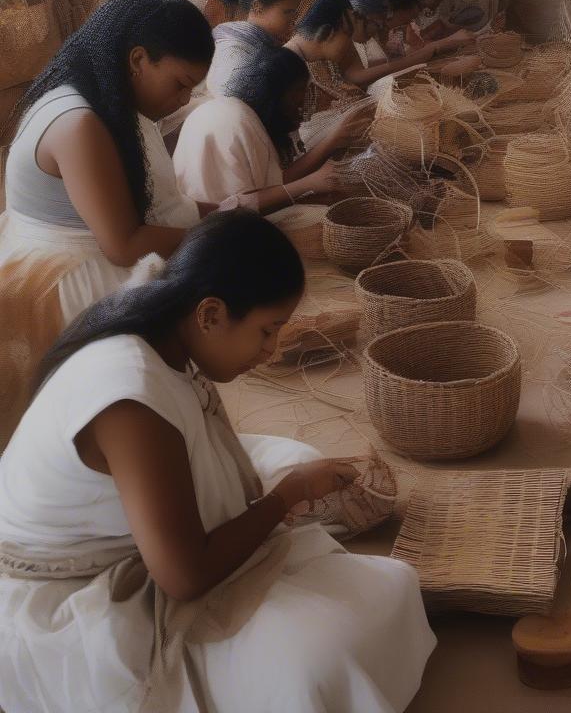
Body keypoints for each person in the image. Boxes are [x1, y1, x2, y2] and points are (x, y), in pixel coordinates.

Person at [0, 211, 435, 713]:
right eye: (267, 331)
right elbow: (185, 577)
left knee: (304, 466)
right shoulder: (131, 401)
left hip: (120, 521)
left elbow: (190, 438)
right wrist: (287, 496)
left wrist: (291, 485)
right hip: (59, 587)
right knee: (324, 654)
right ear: (210, 315)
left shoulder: (161, 325)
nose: (271, 351)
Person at [0, 0, 213, 445]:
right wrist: (215, 228)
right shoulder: (78, 123)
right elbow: (123, 244)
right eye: (179, 83)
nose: (183, 100)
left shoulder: (90, 96)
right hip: (59, 281)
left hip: (53, 253)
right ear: (138, 59)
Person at [174, 49, 371, 214]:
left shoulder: (245, 114)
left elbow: (276, 182)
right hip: (218, 233)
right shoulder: (235, 121)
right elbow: (235, 208)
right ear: (274, 94)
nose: (301, 105)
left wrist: (332, 141)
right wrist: (310, 183)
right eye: (297, 96)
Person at [342, 0, 471, 90]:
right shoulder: (351, 35)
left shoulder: (373, 33)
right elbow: (355, 77)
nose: (383, 26)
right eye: (406, 21)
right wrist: (434, 47)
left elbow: (389, 63)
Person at [206, 0, 301, 96]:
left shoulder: (261, 43)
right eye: (288, 12)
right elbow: (230, 98)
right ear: (257, 7)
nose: (293, 21)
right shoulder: (237, 50)